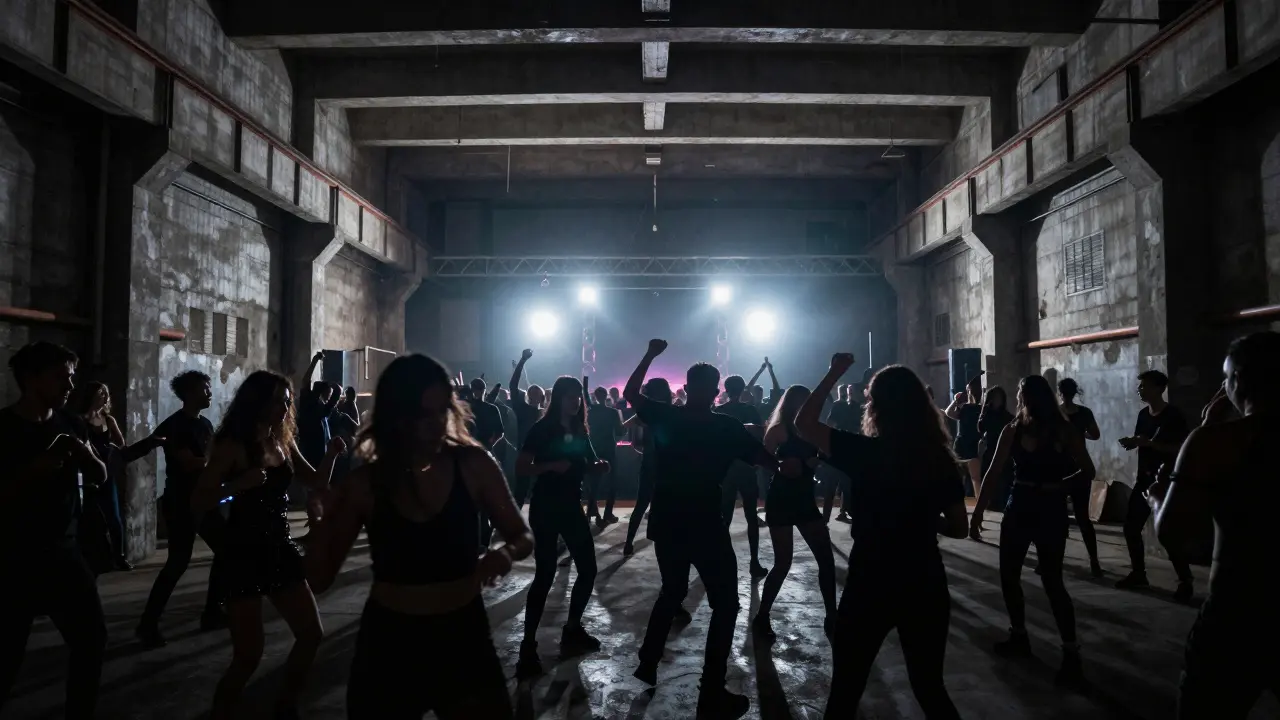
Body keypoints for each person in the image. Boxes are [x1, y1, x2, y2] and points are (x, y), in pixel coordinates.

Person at [306, 354, 532, 718]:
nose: (434, 425)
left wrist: (505, 554)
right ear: (396, 416)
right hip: (389, 642)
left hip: (462, 636)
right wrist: (320, 524)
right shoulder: (366, 484)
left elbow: (522, 535)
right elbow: (319, 578)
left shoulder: (474, 465)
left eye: (441, 411)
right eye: (421, 415)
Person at [626, 339, 801, 719]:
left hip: (670, 520)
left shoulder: (669, 417)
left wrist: (651, 354)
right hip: (704, 523)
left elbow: (630, 393)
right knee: (726, 604)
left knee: (672, 591)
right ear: (716, 389)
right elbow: (760, 458)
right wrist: (784, 468)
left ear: (687, 388)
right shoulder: (725, 426)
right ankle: (712, 688)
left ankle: (649, 660)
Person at [795, 355, 967, 719]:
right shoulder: (940, 460)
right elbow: (958, 528)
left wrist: (833, 373)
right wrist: (920, 518)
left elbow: (804, 423)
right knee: (929, 688)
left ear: (876, 407)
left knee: (846, 687)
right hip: (923, 578)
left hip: (871, 577)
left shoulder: (865, 452)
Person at [192, 370, 345, 720]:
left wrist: (333, 453)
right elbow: (198, 500)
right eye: (278, 399)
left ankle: (285, 704)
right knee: (248, 655)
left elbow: (316, 481)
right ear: (257, 401)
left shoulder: (282, 441)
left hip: (279, 546)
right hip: (243, 552)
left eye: (288, 400)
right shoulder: (233, 444)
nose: (285, 406)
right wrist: (238, 484)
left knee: (311, 634)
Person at [1150, 332, 1280, 719]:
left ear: (1238, 380)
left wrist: (1158, 495)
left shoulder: (1217, 442)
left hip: (1238, 614)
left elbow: (1173, 533)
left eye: (1225, 378)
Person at [0, 342, 109, 720]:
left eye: (72, 376)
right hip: (13, 558)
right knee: (6, 658)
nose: (69, 385)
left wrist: (84, 454)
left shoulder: (72, 424)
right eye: (61, 376)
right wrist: (36, 467)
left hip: (64, 553)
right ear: (31, 379)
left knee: (92, 642)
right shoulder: (3, 429)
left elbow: (99, 475)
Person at [972, 375, 1094, 685]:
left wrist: (1057, 486)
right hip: (1026, 504)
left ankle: (1068, 652)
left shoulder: (1060, 429)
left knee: (1049, 580)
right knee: (1014, 575)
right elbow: (993, 471)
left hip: (1042, 506)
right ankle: (1023, 637)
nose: (1020, 399)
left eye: (1022, 395)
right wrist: (978, 512)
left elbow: (1087, 470)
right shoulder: (1014, 430)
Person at [515, 377, 610, 678]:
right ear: (557, 398)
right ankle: (527, 646)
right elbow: (521, 466)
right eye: (569, 396)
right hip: (545, 506)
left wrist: (598, 467)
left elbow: (590, 461)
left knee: (588, 568)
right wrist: (550, 466)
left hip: (570, 506)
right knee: (544, 575)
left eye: (578, 397)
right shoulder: (542, 429)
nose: (575, 401)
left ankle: (572, 628)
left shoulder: (581, 430)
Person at [136, 371, 228, 648]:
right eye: (204, 389)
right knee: (178, 562)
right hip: (181, 502)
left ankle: (212, 612)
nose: (209, 393)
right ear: (188, 393)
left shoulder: (206, 424)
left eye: (209, 389)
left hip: (205, 499)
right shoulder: (174, 426)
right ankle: (148, 624)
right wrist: (218, 460)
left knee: (226, 550)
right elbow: (190, 463)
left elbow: (209, 459)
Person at [753, 385, 838, 640]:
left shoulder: (811, 430)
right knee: (783, 563)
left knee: (826, 559)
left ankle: (832, 616)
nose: (803, 407)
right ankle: (762, 616)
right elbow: (764, 461)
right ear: (789, 404)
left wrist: (815, 461)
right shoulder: (780, 430)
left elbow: (826, 453)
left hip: (803, 497)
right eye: (799, 403)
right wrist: (787, 466)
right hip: (783, 498)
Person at [1117, 370, 1194, 600]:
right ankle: (1138, 573)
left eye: (1145, 386)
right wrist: (1135, 443)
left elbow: (1182, 448)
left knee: (1169, 533)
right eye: (1140, 386)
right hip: (1145, 479)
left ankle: (1185, 581)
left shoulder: (1173, 416)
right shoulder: (1143, 415)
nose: (1140, 390)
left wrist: (1151, 444)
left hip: (1167, 481)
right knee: (1131, 527)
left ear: (1159, 389)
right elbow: (1143, 441)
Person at [73, 381, 131, 570]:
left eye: (105, 394)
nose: (104, 397)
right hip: (86, 477)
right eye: (100, 393)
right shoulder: (80, 420)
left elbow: (120, 443)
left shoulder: (108, 419)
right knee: (89, 519)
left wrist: (109, 450)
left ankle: (119, 557)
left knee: (114, 518)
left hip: (107, 474)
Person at [717, 373, 769, 580]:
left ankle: (721, 560)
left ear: (726, 389)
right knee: (751, 517)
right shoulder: (750, 410)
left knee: (725, 517)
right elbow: (759, 438)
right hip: (747, 467)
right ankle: (754, 562)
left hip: (727, 469)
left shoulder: (719, 411)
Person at [1058, 378, 1103, 577]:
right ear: (1075, 392)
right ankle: (1094, 562)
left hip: (1058, 468)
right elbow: (1095, 434)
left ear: (1059, 393)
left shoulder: (1055, 413)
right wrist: (1080, 435)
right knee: (1083, 518)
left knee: (1056, 518)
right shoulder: (1084, 413)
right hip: (1080, 466)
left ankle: (1053, 560)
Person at [508, 350, 545, 509]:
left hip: (539, 455)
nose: (535, 395)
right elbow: (513, 385)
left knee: (536, 491)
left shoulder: (544, 414)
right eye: (533, 393)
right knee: (522, 490)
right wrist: (522, 361)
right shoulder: (523, 408)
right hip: (525, 453)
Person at [586, 386, 624, 526]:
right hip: (609, 449)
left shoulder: (590, 412)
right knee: (612, 483)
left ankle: (591, 512)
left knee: (594, 483)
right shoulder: (613, 412)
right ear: (606, 395)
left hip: (594, 448)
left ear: (595, 396)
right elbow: (620, 432)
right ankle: (608, 513)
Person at [976, 387, 1015, 515]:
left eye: (999, 398)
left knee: (1003, 481)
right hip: (990, 449)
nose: (997, 400)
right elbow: (980, 428)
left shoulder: (1007, 416)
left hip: (1004, 451)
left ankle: (1001, 505)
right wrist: (984, 410)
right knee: (988, 479)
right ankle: (990, 505)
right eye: (995, 398)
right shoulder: (987, 413)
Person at [944, 374, 984, 497]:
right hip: (962, 442)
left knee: (974, 476)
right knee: (958, 473)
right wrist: (955, 401)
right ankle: (957, 499)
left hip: (972, 443)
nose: (970, 391)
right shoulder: (965, 407)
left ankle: (978, 501)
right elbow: (948, 412)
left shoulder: (980, 408)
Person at [328, 386, 361, 485]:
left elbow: (355, 425)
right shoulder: (344, 405)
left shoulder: (351, 406)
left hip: (347, 438)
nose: (347, 396)